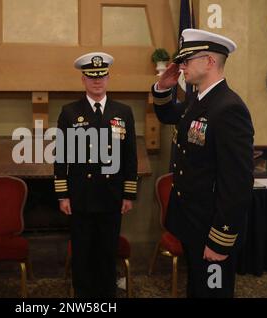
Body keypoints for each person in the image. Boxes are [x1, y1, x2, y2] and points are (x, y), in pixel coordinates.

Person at [152, 29, 254, 297]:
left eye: (187, 60)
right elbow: (168, 115)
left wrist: (220, 239)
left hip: (212, 226)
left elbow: (237, 183)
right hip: (192, 221)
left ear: (209, 61)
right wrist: (163, 88)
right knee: (198, 287)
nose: (182, 66)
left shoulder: (228, 108)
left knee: (213, 291)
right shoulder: (198, 99)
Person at [54, 52, 138, 297]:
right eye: (91, 77)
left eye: (101, 76)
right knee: (82, 253)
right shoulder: (70, 112)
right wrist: (63, 195)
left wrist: (128, 194)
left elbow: (130, 156)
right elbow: (62, 157)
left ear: (108, 77)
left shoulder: (123, 111)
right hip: (82, 196)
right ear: (83, 80)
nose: (97, 81)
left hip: (111, 196)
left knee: (106, 252)